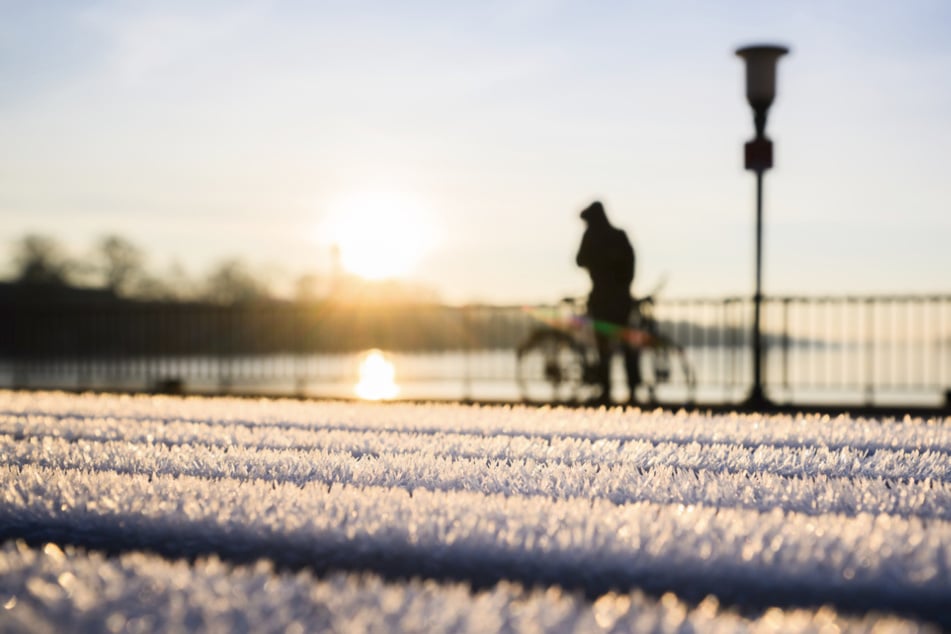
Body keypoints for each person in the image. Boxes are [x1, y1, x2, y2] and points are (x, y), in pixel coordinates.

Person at [575, 201, 641, 404]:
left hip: (601, 299)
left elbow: (579, 260)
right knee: (625, 346)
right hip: (621, 300)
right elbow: (631, 265)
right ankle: (632, 391)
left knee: (604, 348)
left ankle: (606, 391)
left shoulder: (592, 236)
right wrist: (624, 287)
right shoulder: (619, 236)